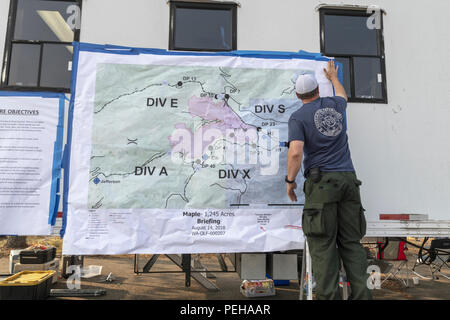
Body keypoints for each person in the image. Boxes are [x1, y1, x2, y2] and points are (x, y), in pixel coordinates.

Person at [286, 60, 372, 300]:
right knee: (351, 243)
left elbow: (295, 152)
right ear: (317, 91)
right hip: (348, 180)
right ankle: (363, 296)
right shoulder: (335, 105)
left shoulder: (298, 117)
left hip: (322, 184)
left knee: (323, 246)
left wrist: (290, 180)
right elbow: (343, 96)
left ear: (297, 94)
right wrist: (333, 77)